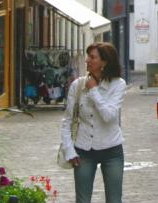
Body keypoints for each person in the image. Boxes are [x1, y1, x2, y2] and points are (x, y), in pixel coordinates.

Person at [61, 42, 126, 203]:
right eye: (87, 56)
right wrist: (69, 150)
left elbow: (109, 116)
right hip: (83, 151)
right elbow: (67, 120)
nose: (87, 60)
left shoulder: (118, 85)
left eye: (92, 57)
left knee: (114, 200)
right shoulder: (77, 85)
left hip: (112, 150)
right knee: (82, 200)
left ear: (104, 62)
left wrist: (94, 90)